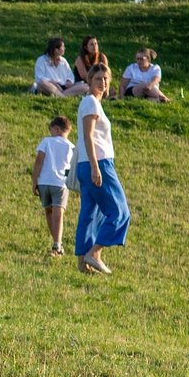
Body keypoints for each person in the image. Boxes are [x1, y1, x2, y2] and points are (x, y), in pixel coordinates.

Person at [75, 63, 130, 274]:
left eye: (106, 79)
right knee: (120, 211)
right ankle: (95, 253)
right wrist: (96, 167)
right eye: (98, 79)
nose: (103, 83)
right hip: (98, 163)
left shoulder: (90, 102)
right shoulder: (90, 103)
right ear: (89, 80)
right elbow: (88, 136)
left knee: (90, 213)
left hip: (86, 164)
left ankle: (83, 263)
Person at [31, 116, 75, 257]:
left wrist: (34, 180)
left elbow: (39, 160)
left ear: (56, 129)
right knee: (59, 212)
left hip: (44, 182)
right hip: (61, 183)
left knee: (49, 211)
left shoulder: (46, 141)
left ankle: (56, 242)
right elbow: (71, 168)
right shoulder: (71, 146)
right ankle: (57, 243)